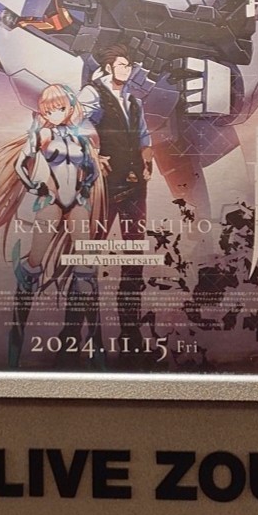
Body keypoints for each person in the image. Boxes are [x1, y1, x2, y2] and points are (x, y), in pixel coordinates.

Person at [0, 83, 104, 368]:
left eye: (60, 108)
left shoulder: (80, 139)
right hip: (51, 203)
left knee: (85, 271)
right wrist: (36, 187)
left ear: (70, 107)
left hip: (77, 205)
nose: (55, 113)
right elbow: (21, 165)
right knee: (33, 267)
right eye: (49, 109)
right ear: (44, 111)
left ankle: (97, 348)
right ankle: (15, 345)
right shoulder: (42, 135)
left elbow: (91, 170)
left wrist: (85, 188)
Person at [83, 43, 154, 357]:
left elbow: (144, 136)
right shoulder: (93, 93)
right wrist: (94, 155)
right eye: (123, 65)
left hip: (136, 185)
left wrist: (147, 162)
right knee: (90, 252)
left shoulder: (134, 101)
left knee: (134, 254)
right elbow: (78, 124)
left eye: (130, 65)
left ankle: (130, 328)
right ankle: (80, 327)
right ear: (109, 67)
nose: (127, 70)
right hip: (106, 184)